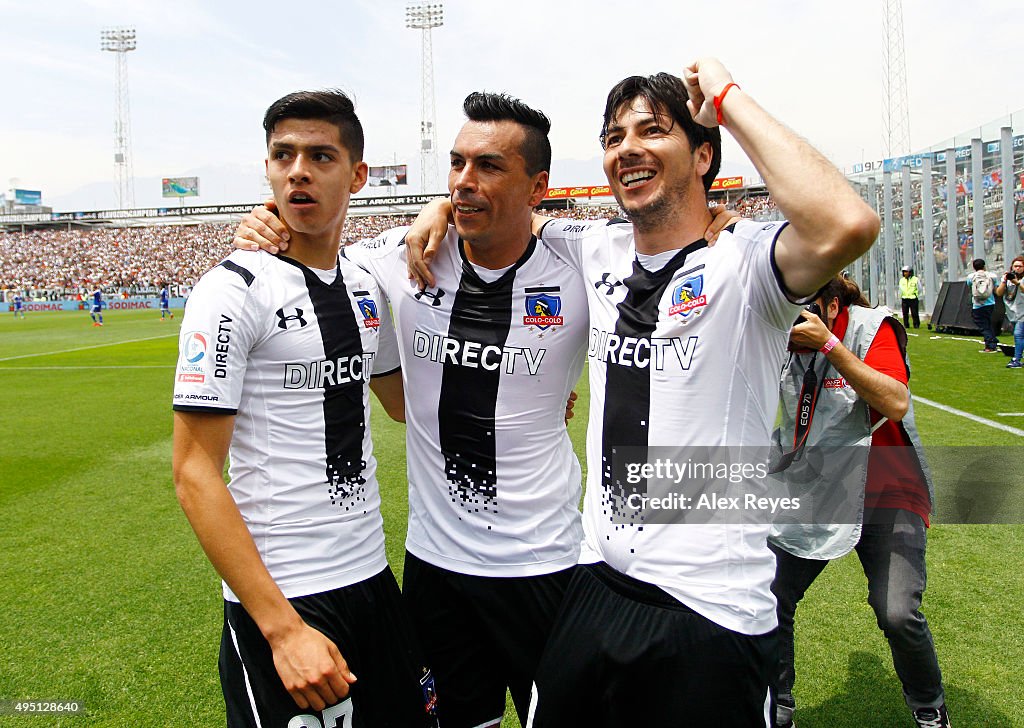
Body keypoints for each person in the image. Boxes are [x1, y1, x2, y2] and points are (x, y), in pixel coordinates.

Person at [404, 58, 879, 725]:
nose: (627, 148)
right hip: (594, 583)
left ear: (703, 153)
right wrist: (438, 203)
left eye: (651, 130)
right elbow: (501, 209)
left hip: (708, 609)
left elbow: (847, 223)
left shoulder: (747, 263)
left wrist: (725, 93)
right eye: (613, 136)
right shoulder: (591, 248)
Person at [235, 91, 611, 728]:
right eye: (457, 166)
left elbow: (656, 231)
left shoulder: (578, 262)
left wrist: (719, 221)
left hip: (543, 564)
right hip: (435, 569)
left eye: (490, 167)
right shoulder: (395, 259)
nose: (465, 182)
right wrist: (261, 224)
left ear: (538, 186)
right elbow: (314, 249)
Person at [173, 89, 436, 728]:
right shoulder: (232, 290)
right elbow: (193, 473)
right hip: (287, 595)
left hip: (371, 576)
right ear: (267, 169)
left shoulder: (366, 283)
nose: (298, 170)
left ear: (358, 174)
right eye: (283, 154)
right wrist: (283, 631)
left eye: (321, 155)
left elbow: (402, 404)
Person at [767, 275, 950, 728]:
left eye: (803, 307)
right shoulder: (776, 333)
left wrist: (829, 345)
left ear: (830, 306)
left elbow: (896, 401)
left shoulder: (872, 327)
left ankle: (929, 705)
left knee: (897, 611)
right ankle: (778, 704)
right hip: (817, 487)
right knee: (770, 597)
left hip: (889, 488)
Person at [995, 255, 1024, 368]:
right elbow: (999, 293)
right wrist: (1004, 281)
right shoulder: (1008, 279)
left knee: (1018, 335)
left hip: (1022, 312)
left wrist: (1016, 282)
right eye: (1015, 266)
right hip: (1012, 312)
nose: (1017, 268)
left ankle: (1016, 359)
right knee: (1020, 335)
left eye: (1020, 266)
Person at [967, 258, 999, 352]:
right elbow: (995, 287)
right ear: (984, 266)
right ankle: (993, 341)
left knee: (983, 325)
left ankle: (990, 345)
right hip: (990, 303)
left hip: (977, 304)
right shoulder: (992, 276)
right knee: (988, 323)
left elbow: (970, 286)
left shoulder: (971, 276)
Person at [899, 264, 922, 329]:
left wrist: (916, 294)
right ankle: (906, 325)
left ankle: (916, 324)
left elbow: (919, 288)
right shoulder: (902, 280)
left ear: (910, 272)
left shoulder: (915, 279)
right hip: (904, 298)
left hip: (913, 299)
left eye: (906, 272)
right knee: (905, 313)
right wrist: (901, 296)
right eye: (904, 272)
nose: (905, 273)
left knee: (914, 313)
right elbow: (900, 289)